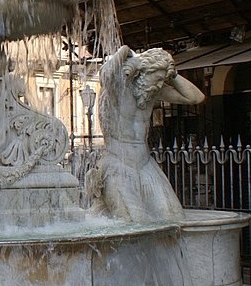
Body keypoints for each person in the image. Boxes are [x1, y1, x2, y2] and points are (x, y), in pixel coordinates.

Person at [86, 45, 205, 222]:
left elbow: (195, 98)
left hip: (145, 164)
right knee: (134, 222)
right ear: (143, 72)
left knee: (174, 218)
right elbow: (105, 75)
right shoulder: (117, 88)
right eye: (157, 79)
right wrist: (124, 51)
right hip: (118, 164)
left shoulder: (152, 91)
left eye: (161, 81)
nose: (159, 85)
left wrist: (172, 75)